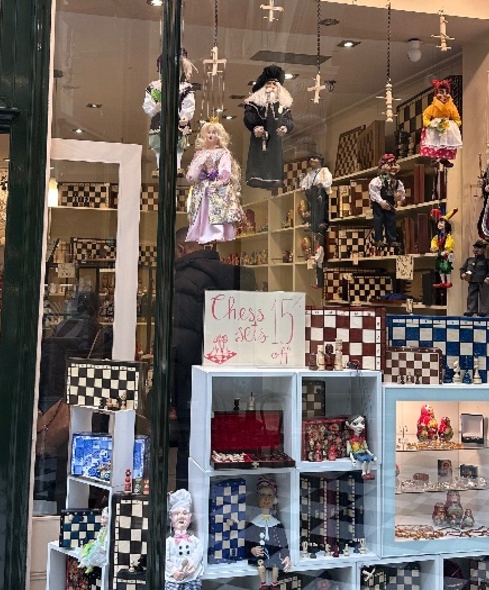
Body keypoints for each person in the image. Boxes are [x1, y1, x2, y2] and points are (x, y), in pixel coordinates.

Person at [172, 227, 255, 490]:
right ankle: (231, 502)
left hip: (193, 383)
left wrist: (169, 390)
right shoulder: (238, 277)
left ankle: (187, 509)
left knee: (192, 447)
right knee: (230, 445)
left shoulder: (183, 280)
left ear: (180, 250)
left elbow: (181, 343)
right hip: (235, 380)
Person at [184, 121, 243, 244]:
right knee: (202, 210)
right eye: (209, 132)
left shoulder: (222, 152)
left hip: (216, 185)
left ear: (218, 136)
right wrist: (193, 175)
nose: (211, 135)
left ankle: (217, 233)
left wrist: (221, 180)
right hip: (203, 185)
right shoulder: (200, 153)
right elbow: (194, 171)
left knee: (217, 209)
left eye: (214, 133)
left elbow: (225, 168)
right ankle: (202, 232)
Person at [144, 48, 196, 173]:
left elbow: (188, 104)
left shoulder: (185, 88)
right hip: (160, 122)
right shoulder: (154, 87)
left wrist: (185, 116)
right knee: (159, 145)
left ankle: (177, 166)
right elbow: (147, 105)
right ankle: (160, 166)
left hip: (178, 123)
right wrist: (155, 108)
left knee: (178, 145)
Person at [244, 64, 294, 189]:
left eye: (273, 85)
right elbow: (249, 115)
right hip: (259, 139)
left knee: (274, 159)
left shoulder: (283, 105)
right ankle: (256, 176)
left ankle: (273, 178)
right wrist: (255, 126)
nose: (271, 87)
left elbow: (288, 119)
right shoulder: (255, 103)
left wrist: (285, 127)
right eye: (268, 84)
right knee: (258, 159)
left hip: (275, 140)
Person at [245, 476, 291, 587]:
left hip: (273, 555)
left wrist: (286, 556)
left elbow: (283, 543)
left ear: (274, 500)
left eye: (270, 495)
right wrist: (252, 549)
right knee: (261, 565)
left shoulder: (277, 524)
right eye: (263, 495)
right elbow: (246, 543)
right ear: (258, 499)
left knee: (275, 567)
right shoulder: (253, 524)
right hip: (261, 556)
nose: (266, 499)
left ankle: (274, 584)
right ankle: (264, 585)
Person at [165, 489, 204, 589]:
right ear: (171, 518)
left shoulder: (195, 541)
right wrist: (174, 571)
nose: (181, 516)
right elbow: (165, 559)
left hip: (192, 579)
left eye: (185, 513)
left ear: (190, 518)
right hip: (173, 581)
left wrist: (193, 565)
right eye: (177, 514)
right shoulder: (169, 542)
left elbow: (198, 554)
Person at [420, 78, 462, 167]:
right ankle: (435, 157)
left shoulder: (451, 106)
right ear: (436, 93)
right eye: (441, 92)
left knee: (446, 144)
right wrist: (429, 124)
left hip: (447, 127)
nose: (444, 95)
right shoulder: (433, 106)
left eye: (446, 92)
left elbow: (456, 118)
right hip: (436, 126)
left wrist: (454, 125)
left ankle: (444, 158)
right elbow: (426, 116)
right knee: (435, 142)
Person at [368, 154, 406, 251]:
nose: (393, 167)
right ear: (382, 166)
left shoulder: (397, 182)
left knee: (391, 220)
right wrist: (380, 201)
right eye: (390, 165)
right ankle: (378, 239)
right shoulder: (377, 181)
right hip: (379, 205)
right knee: (379, 221)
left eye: (394, 164)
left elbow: (401, 193)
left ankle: (391, 239)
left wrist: (399, 197)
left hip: (390, 203)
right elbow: (373, 192)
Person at [459, 241, 489, 317]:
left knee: (484, 296)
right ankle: (471, 310)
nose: (476, 250)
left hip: (483, 281)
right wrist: (462, 274)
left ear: (484, 249)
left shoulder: (487, 261)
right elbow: (462, 269)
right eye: (475, 247)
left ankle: (483, 310)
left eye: (479, 248)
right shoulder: (469, 260)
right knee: (471, 295)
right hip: (472, 280)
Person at [299, 153, 332, 235]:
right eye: (310, 159)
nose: (311, 160)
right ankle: (314, 224)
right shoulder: (309, 174)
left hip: (320, 191)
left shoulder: (324, 170)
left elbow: (329, 180)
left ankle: (323, 222)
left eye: (314, 158)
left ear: (320, 160)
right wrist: (303, 187)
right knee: (313, 208)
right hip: (312, 192)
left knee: (322, 206)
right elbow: (303, 183)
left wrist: (322, 184)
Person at [430, 208, 457, 288]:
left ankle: (448, 282)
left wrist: (447, 250)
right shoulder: (437, 236)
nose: (439, 224)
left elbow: (450, 243)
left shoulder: (448, 236)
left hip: (447, 253)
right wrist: (433, 247)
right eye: (439, 222)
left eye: (442, 222)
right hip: (440, 253)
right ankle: (442, 282)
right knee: (440, 268)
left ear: (446, 225)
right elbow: (434, 242)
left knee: (447, 268)